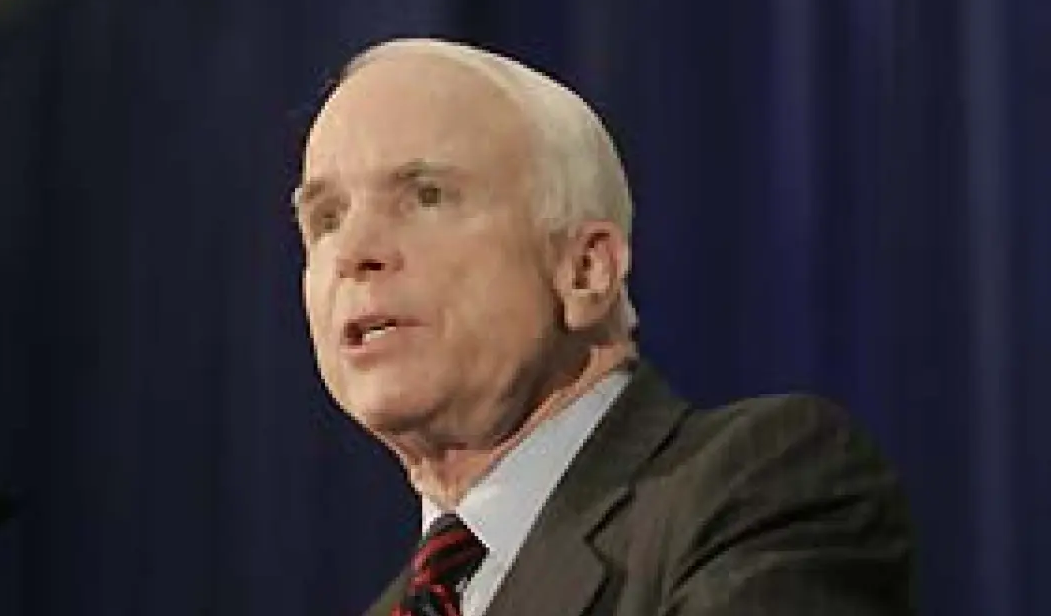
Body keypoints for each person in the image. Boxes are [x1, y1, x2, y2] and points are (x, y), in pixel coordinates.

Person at [293, 38, 915, 616]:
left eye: (427, 196)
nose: (354, 253)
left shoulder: (763, 491)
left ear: (586, 271)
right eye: (326, 219)